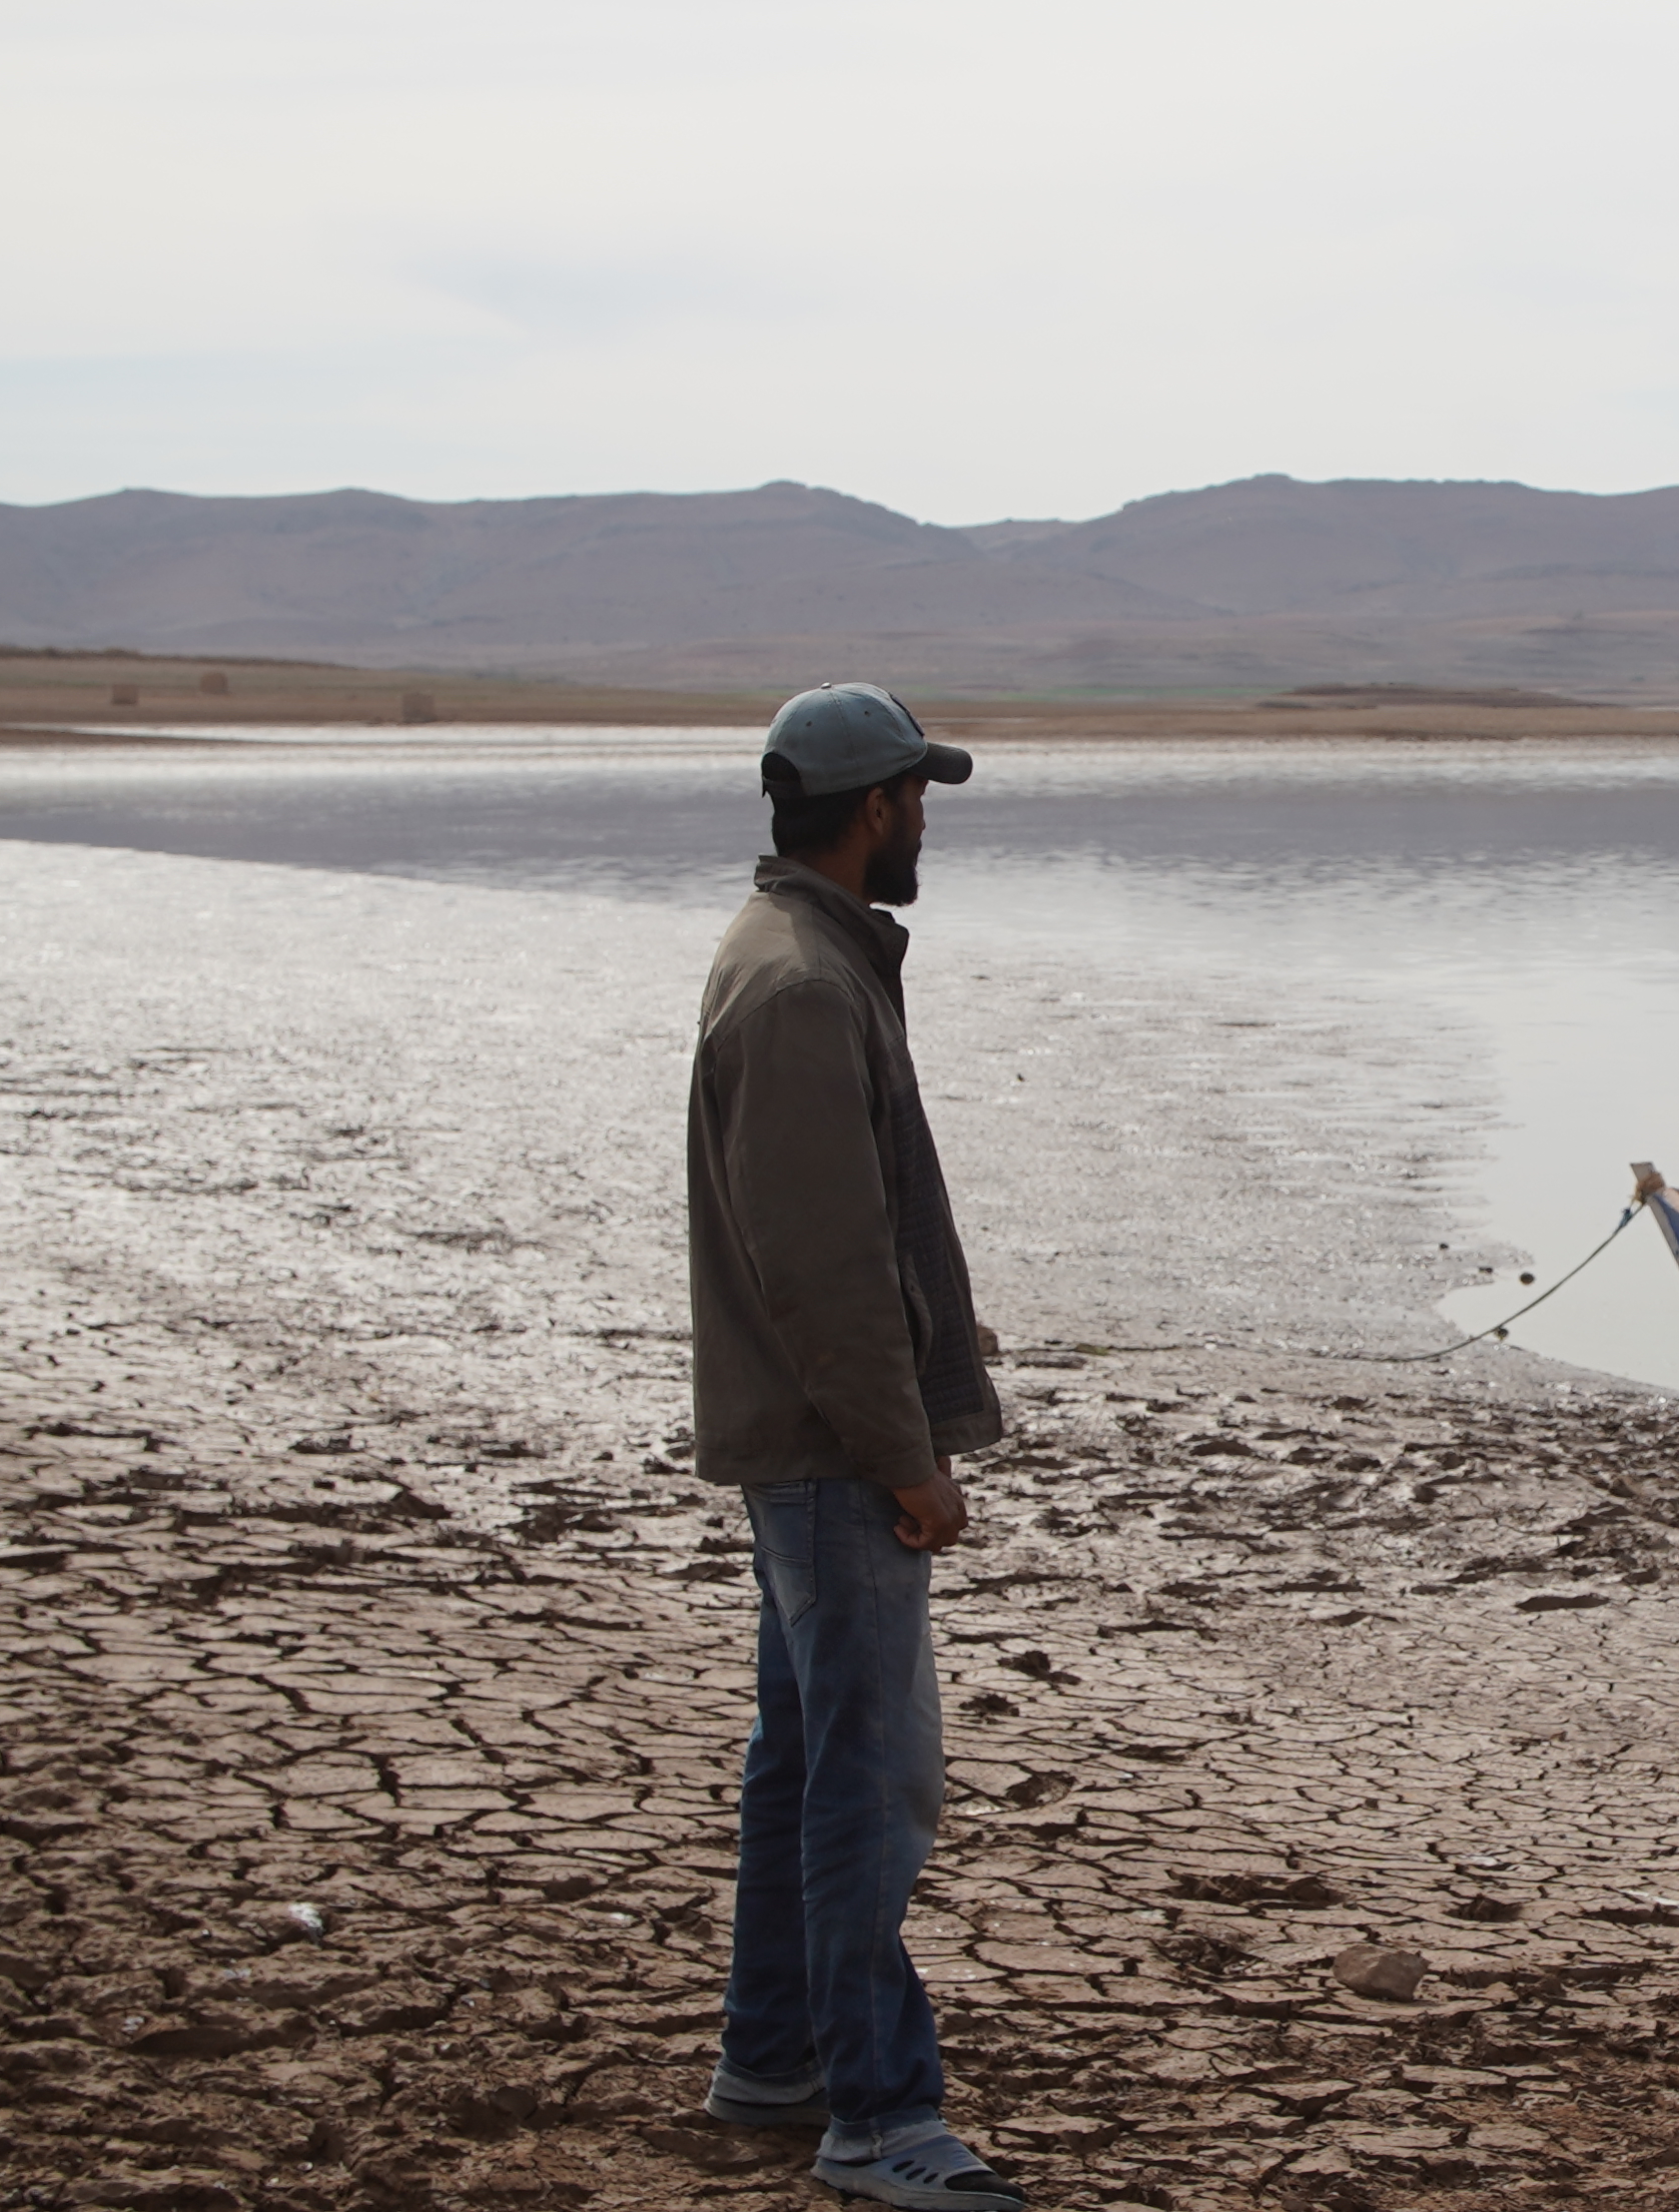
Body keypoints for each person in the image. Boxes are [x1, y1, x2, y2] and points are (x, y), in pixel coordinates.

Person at [684, 681, 1023, 2211]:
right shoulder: (806, 985)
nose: (927, 821)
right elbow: (824, 1270)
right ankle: (880, 2119)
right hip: (830, 1457)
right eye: (917, 798)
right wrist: (910, 1462)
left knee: (806, 1758)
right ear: (874, 807)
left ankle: (774, 2060)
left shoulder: (806, 955)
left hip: (804, 1448)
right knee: (868, 1782)